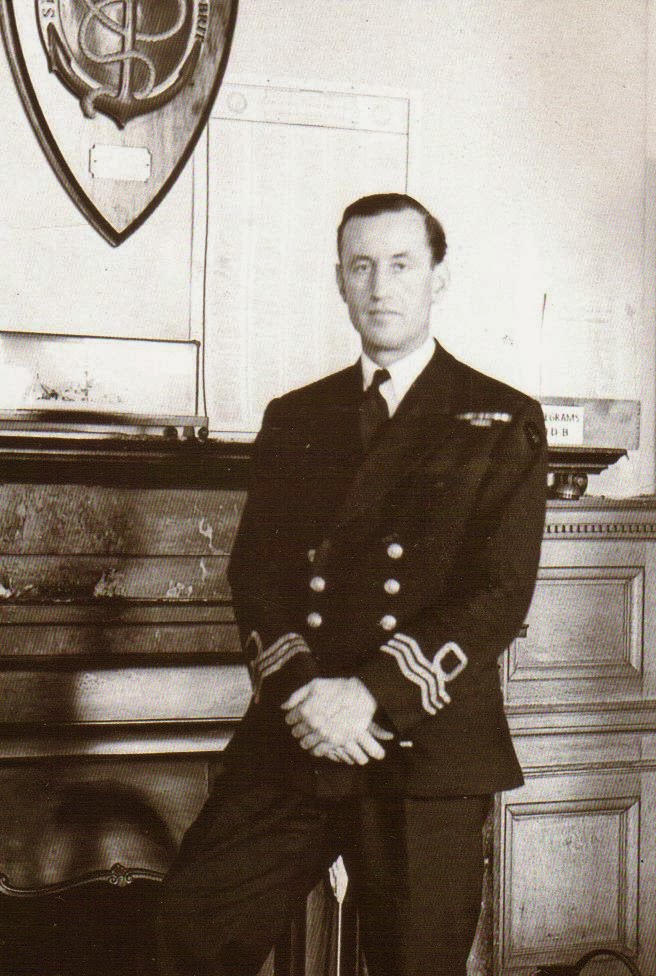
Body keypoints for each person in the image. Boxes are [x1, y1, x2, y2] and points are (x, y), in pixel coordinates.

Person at [156, 193, 548, 976]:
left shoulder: (501, 419)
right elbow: (257, 574)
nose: (379, 285)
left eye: (401, 264)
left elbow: (497, 593)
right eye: (360, 266)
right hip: (299, 733)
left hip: (422, 742)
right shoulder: (296, 416)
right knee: (184, 930)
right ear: (339, 280)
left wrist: (369, 694)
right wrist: (306, 695)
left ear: (439, 278)